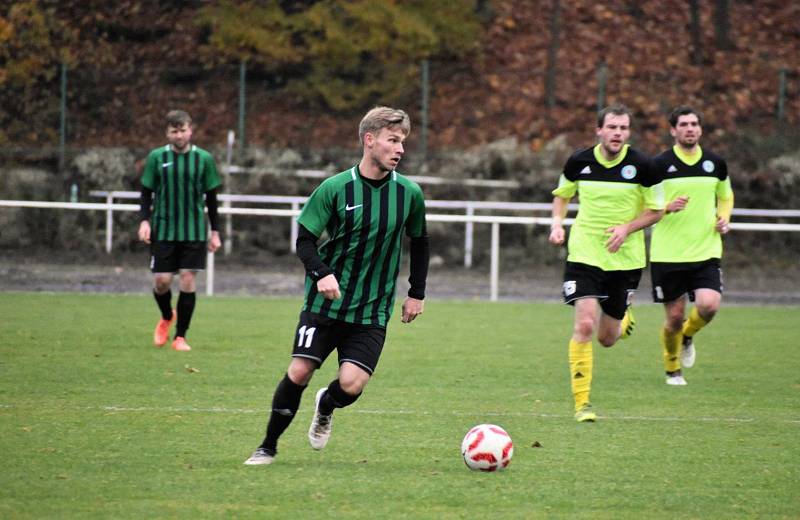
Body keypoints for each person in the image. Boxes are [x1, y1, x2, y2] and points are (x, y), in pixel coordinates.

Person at [244, 106, 430, 465]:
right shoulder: (334, 188)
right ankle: (267, 446)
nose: (400, 149)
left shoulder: (409, 194)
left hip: (372, 308)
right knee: (299, 370)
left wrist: (416, 292)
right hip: (324, 304)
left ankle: (325, 405)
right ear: (369, 140)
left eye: (403, 142)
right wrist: (322, 273)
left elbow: (420, 241)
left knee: (351, 385)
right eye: (393, 140)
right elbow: (304, 242)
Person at [549, 104, 665, 422]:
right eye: (612, 127)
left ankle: (622, 319)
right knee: (585, 324)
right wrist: (557, 224)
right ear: (599, 129)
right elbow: (562, 194)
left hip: (624, 259)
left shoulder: (644, 165)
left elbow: (657, 210)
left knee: (607, 338)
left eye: (623, 128)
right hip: (584, 253)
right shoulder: (579, 161)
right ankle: (582, 404)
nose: (618, 133)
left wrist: (627, 228)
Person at [650, 106, 734, 386]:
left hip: (706, 250)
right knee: (674, 318)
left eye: (694, 124)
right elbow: (643, 204)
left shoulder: (715, 163)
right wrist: (665, 207)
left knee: (709, 306)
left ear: (700, 129)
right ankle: (672, 367)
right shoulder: (658, 166)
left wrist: (724, 219)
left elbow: (725, 196)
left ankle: (688, 335)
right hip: (668, 253)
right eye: (683, 124)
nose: (690, 128)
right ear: (673, 131)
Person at [137, 110, 222, 352]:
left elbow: (212, 198)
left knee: (187, 278)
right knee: (162, 281)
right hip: (163, 228)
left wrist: (215, 231)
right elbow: (146, 192)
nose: (179, 135)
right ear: (167, 133)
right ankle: (166, 316)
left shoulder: (204, 159)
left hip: (194, 230)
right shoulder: (156, 157)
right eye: (174, 131)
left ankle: (180, 337)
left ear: (190, 130)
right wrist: (144, 221)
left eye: (183, 130)